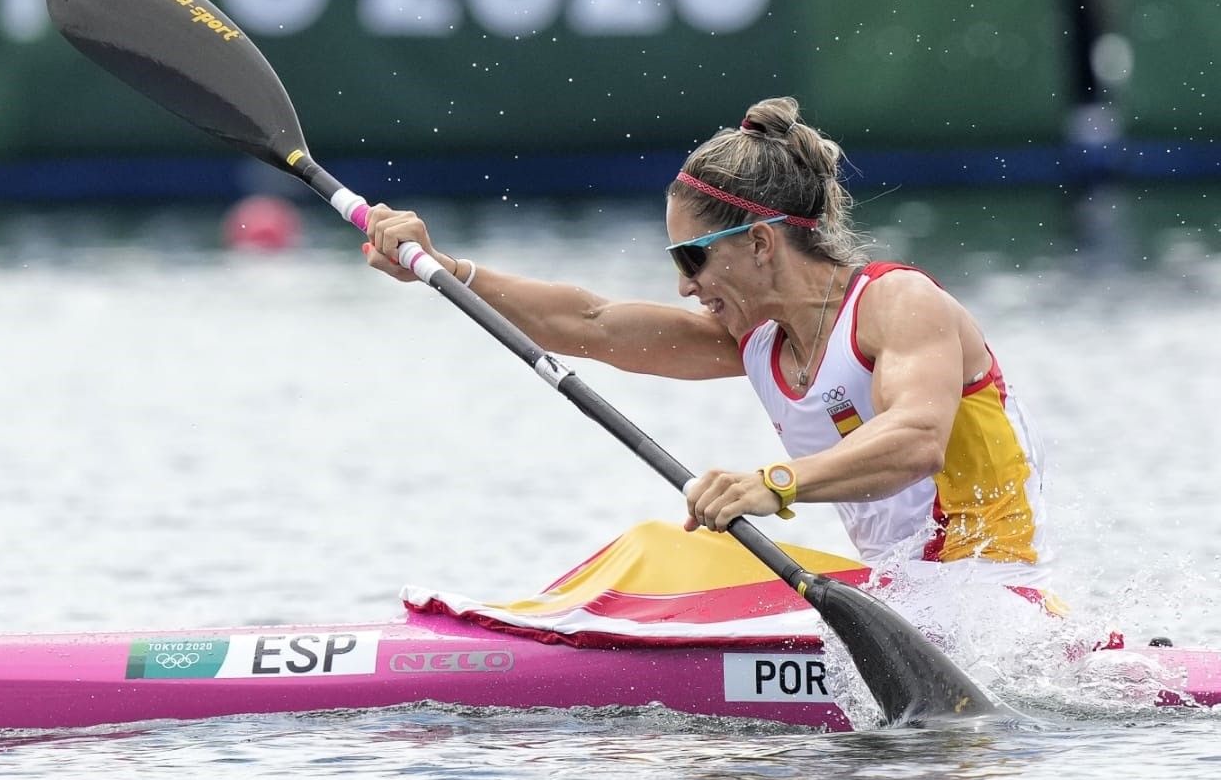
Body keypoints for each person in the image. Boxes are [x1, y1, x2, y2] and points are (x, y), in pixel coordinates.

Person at [362, 96, 1054, 593]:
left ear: (758, 243)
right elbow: (591, 324)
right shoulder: (760, 340)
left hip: (993, 603)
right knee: (653, 553)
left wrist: (769, 485)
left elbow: (915, 440)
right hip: (898, 600)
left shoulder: (898, 304)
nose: (685, 285)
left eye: (691, 258)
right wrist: (448, 272)